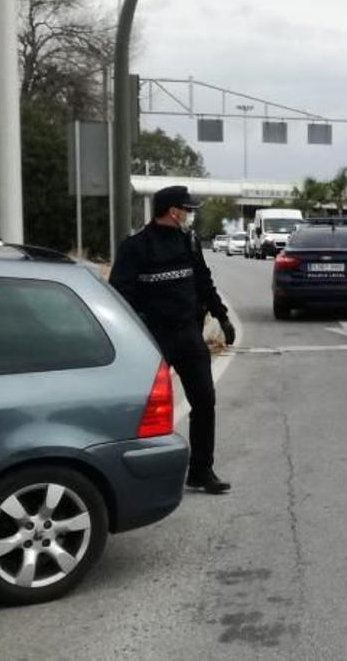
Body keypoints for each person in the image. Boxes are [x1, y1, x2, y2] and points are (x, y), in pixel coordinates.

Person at [111, 185, 236, 494]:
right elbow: (119, 296)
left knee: (205, 401)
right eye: (187, 209)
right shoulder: (135, 247)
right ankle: (130, 474)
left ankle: (201, 470)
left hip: (188, 334)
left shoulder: (189, 241)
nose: (190, 215)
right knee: (141, 409)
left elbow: (204, 282)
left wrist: (222, 316)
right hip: (153, 339)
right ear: (172, 211)